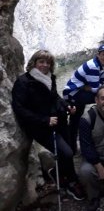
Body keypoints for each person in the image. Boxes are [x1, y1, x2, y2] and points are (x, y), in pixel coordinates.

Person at [12, 50, 85, 201]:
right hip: (40, 127)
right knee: (66, 153)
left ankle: (57, 173)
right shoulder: (23, 82)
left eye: (48, 63)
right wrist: (44, 120)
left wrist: (66, 106)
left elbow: (55, 98)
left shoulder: (49, 78)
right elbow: (20, 109)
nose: (45, 65)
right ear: (34, 63)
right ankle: (72, 182)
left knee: (70, 149)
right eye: (41, 62)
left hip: (58, 120)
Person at [63, 44, 104, 154]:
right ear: (98, 55)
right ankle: (73, 146)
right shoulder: (93, 66)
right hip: (72, 93)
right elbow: (97, 90)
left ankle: (73, 147)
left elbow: (100, 83)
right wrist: (89, 88)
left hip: (80, 92)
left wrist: (87, 87)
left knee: (75, 119)